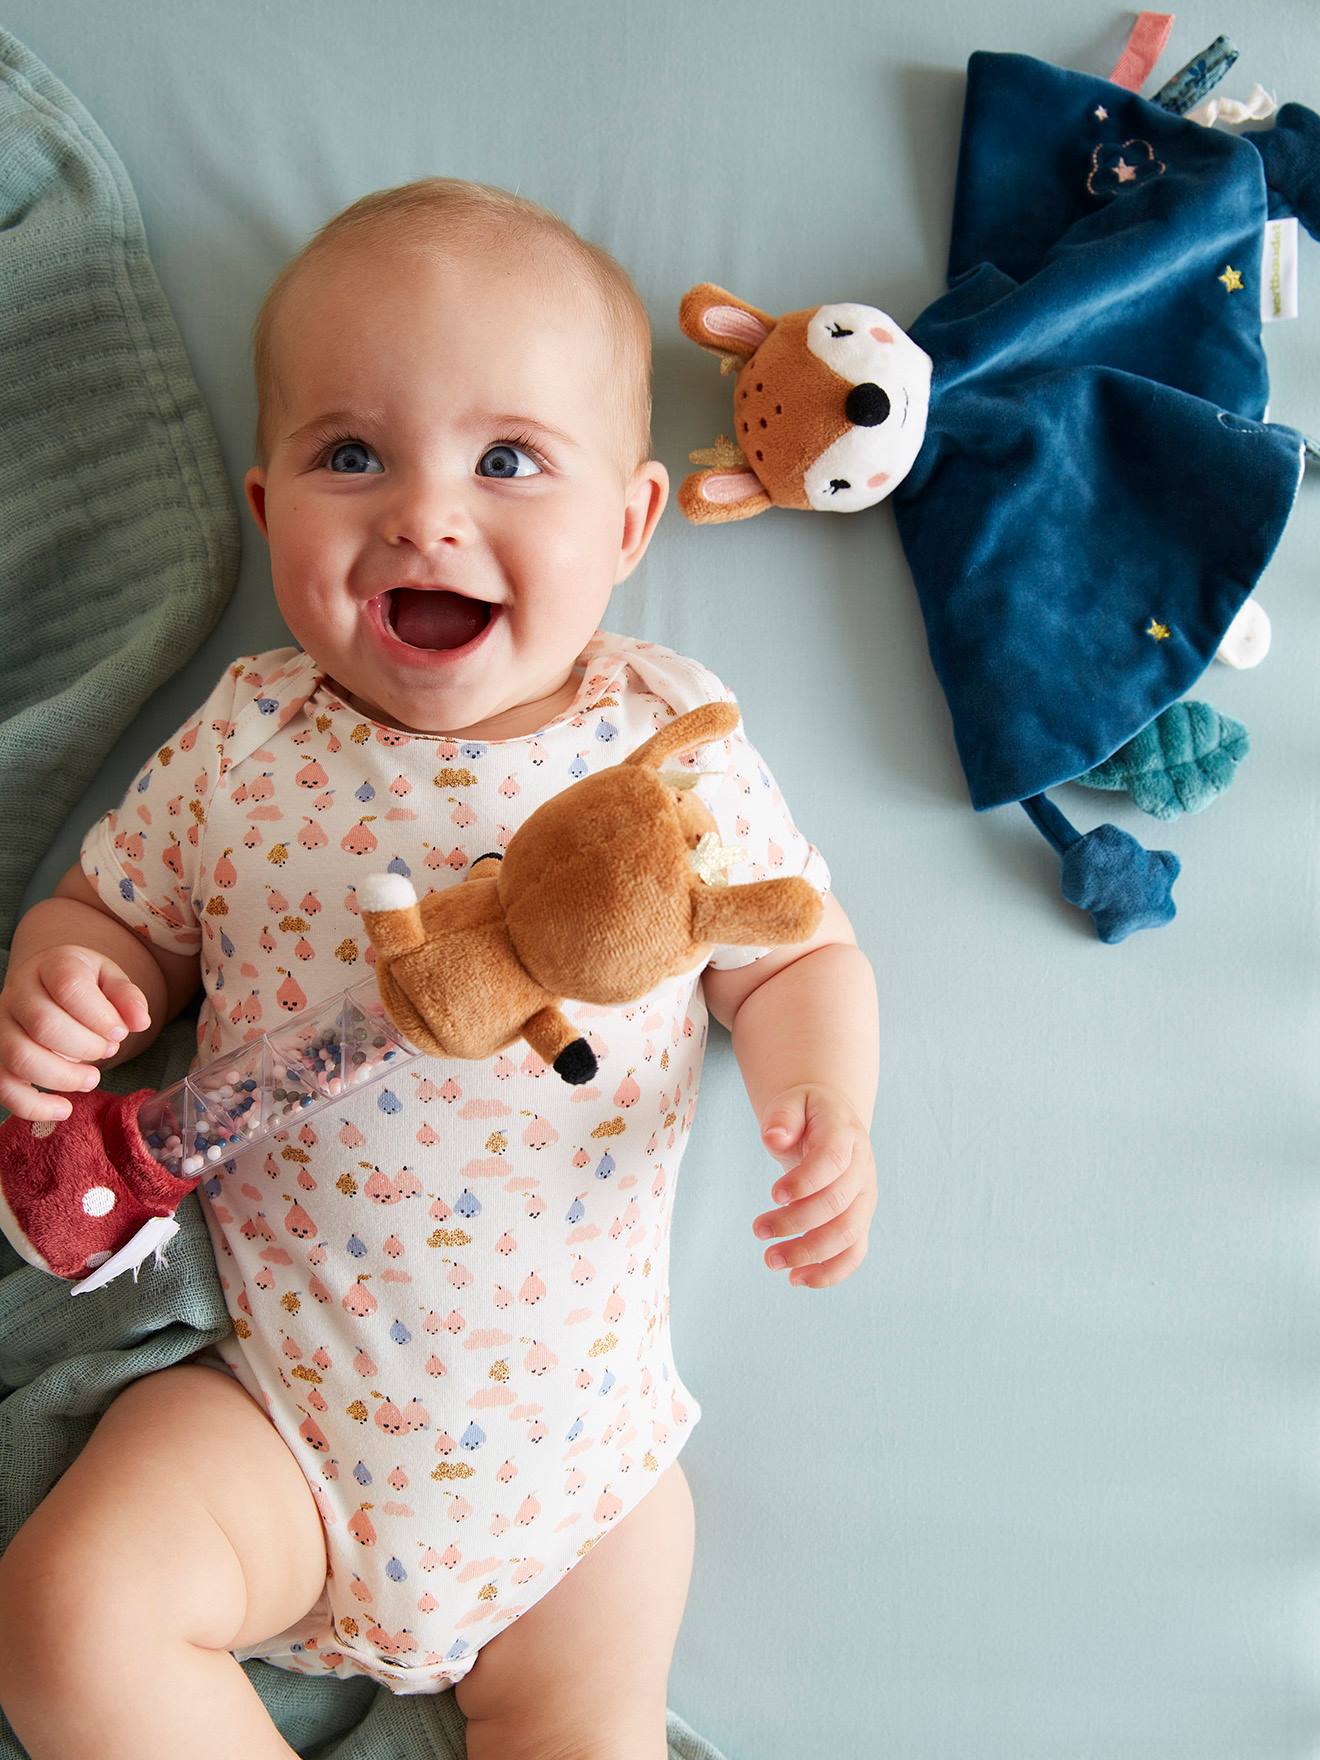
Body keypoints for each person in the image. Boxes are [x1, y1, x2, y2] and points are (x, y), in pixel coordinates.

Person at [0, 178, 879, 1760]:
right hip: (284, 1421)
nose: (424, 513)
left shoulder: (666, 741)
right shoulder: (246, 739)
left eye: (507, 460)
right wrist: (67, 982)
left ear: (626, 524)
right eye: (352, 455)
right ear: (268, 514)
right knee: (68, 1610)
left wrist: (830, 1098)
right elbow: (108, 909)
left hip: (581, 1482)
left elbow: (798, 949)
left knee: (591, 1722)